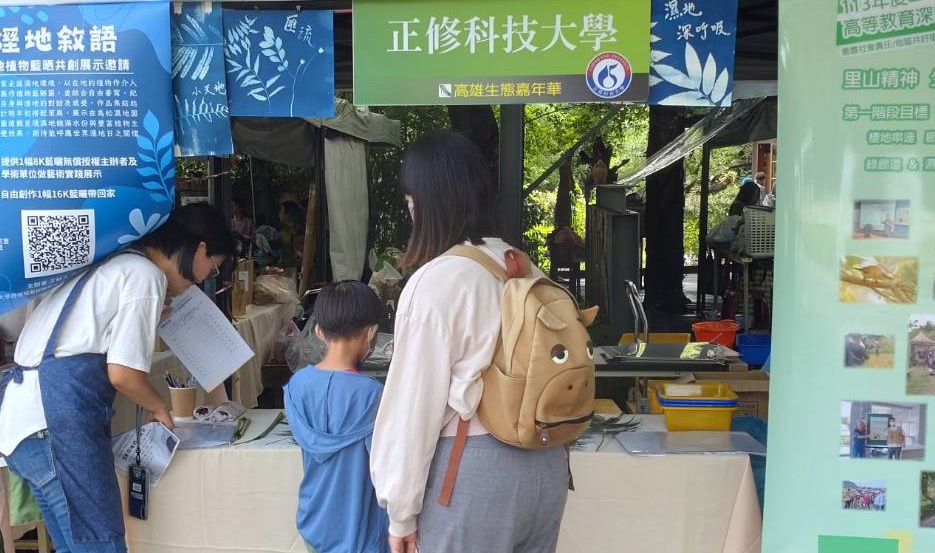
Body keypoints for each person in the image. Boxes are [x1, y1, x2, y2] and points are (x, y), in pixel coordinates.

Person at [370, 130, 568, 553]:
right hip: (546, 464)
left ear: (422, 202)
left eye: (410, 201)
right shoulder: (522, 265)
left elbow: (413, 405)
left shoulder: (438, 281)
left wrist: (401, 512)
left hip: (474, 471)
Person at [0, 203, 234, 553]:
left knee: (76, 546)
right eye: (213, 265)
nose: (205, 278)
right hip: (55, 428)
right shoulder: (145, 276)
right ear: (199, 248)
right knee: (101, 544)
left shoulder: (115, 264)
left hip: (25, 425)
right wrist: (158, 408)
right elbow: (123, 375)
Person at [283, 280, 389, 553]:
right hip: (362, 531)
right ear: (372, 333)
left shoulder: (297, 386)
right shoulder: (373, 395)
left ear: (318, 331)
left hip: (314, 523)